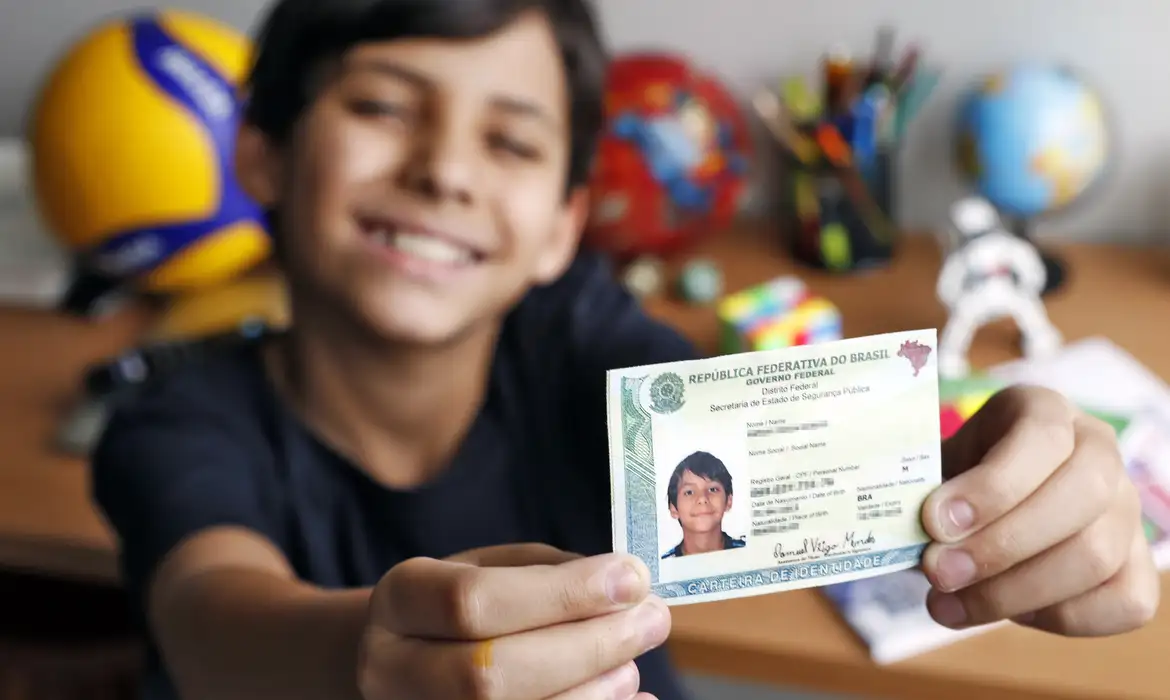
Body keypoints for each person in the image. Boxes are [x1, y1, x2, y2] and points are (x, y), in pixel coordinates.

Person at [89, 1, 1159, 699]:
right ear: (262, 156)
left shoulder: (585, 347)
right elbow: (206, 621)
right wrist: (363, 659)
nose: (447, 173)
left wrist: (1021, 471)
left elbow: (812, 435)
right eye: (380, 107)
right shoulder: (182, 420)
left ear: (565, 224)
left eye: (509, 141)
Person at [661, 451, 745, 558]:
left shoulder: (748, 554)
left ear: (728, 501)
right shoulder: (664, 566)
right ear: (673, 508)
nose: (702, 498)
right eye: (689, 492)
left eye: (712, 489)